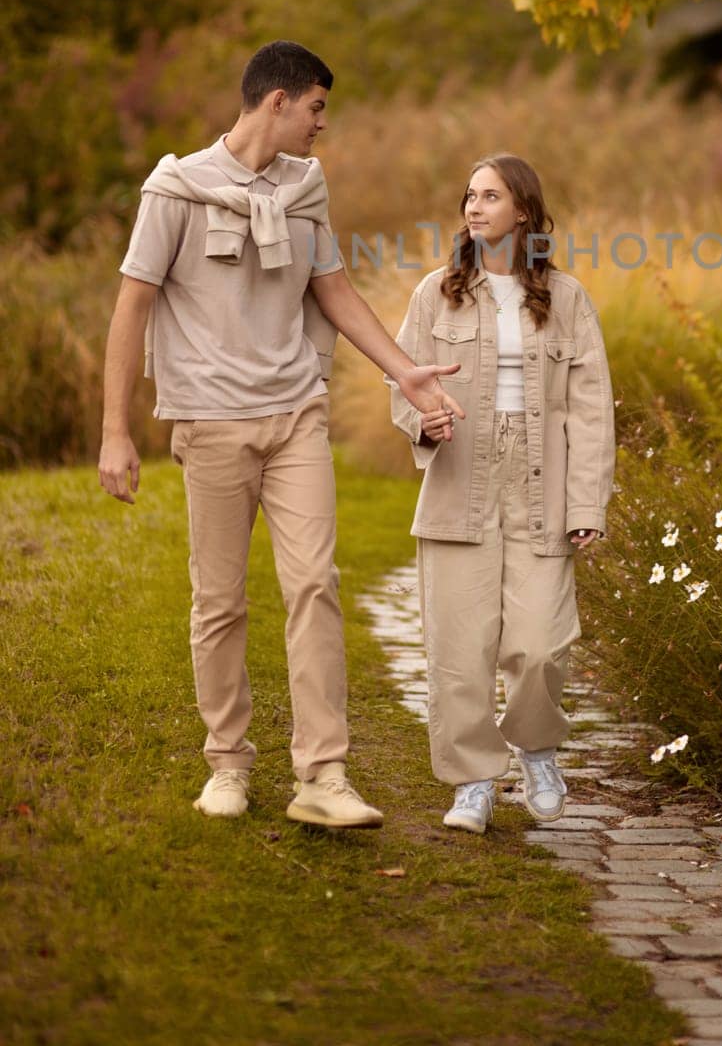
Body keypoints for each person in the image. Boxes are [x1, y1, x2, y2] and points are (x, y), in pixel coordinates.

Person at [97, 41, 464, 828]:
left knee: (315, 587)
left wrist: (405, 370)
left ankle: (323, 774)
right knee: (220, 600)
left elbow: (332, 290)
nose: (322, 125)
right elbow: (132, 306)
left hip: (295, 411)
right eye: (317, 108)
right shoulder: (177, 190)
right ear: (277, 102)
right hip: (211, 419)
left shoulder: (304, 190)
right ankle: (227, 763)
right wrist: (114, 432)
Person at [387, 153, 614, 835]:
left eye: (491, 196)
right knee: (460, 650)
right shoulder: (437, 293)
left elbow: (592, 409)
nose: (475, 207)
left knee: (542, 644)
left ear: (523, 210)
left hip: (541, 484)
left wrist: (586, 506)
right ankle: (474, 781)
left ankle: (538, 750)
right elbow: (401, 379)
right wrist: (423, 422)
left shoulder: (567, 298)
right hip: (462, 481)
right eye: (469, 196)